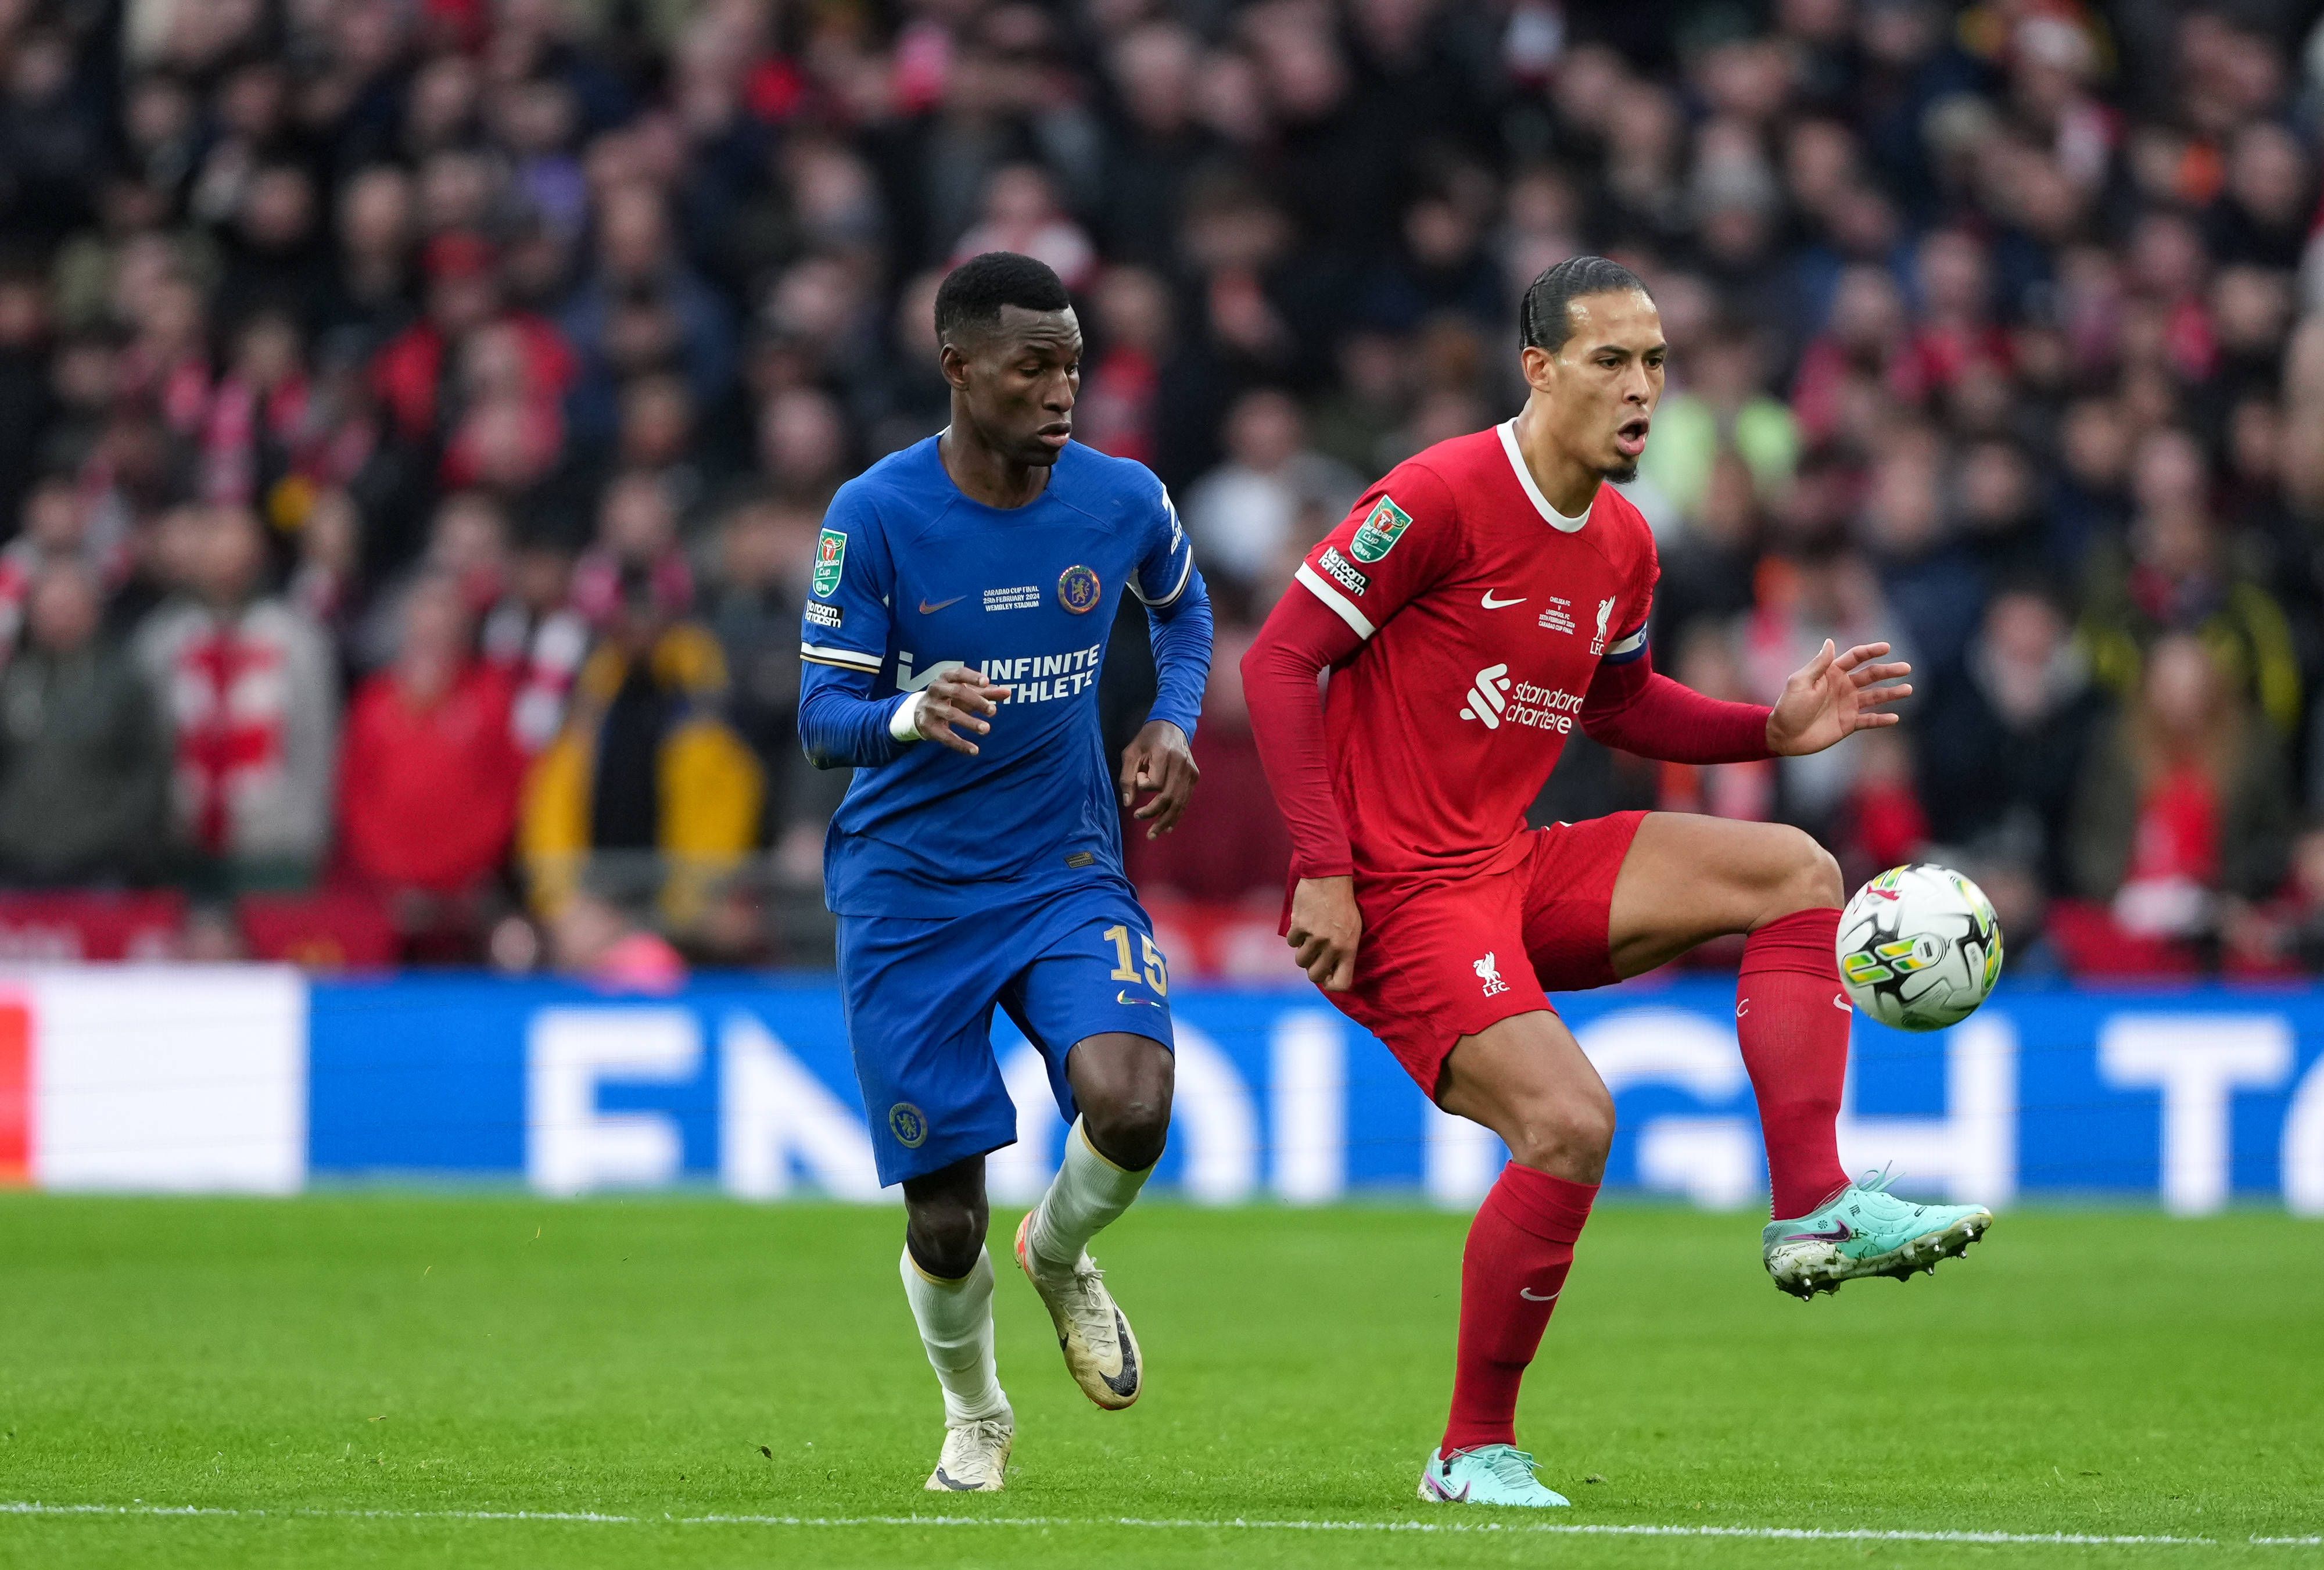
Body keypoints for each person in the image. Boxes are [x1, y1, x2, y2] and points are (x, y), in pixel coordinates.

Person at [1239, 256, 1993, 1510]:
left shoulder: (1624, 543)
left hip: (1510, 863)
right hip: (1398, 896)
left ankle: (1812, 1205)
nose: (1641, 389)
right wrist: (1323, 864)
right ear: (1536, 369)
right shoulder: (1435, 495)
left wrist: (1773, 728)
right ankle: (1467, 1451)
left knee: (1794, 869)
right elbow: (1279, 661)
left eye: (1654, 364)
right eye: (1609, 362)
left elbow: (1621, 701)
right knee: (1571, 1124)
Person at [795, 253, 1211, 1493]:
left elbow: (1182, 614)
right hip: (909, 890)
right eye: (1034, 366)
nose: (1061, 389)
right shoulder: (871, 516)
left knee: (1131, 1099)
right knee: (942, 1218)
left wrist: (1171, 718)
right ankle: (974, 1411)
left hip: (1062, 864)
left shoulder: (1122, 498)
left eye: (1073, 364)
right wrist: (906, 715)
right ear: (958, 367)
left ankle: (1064, 1250)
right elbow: (822, 715)